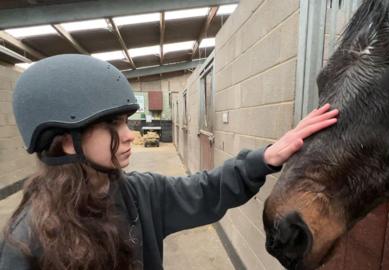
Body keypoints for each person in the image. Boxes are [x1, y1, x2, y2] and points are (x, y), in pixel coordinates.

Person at [0, 54, 338, 270]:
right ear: (65, 142)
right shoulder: (26, 242)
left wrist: (265, 158)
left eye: (126, 122)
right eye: (113, 125)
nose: (130, 134)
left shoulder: (138, 194)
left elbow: (204, 190)